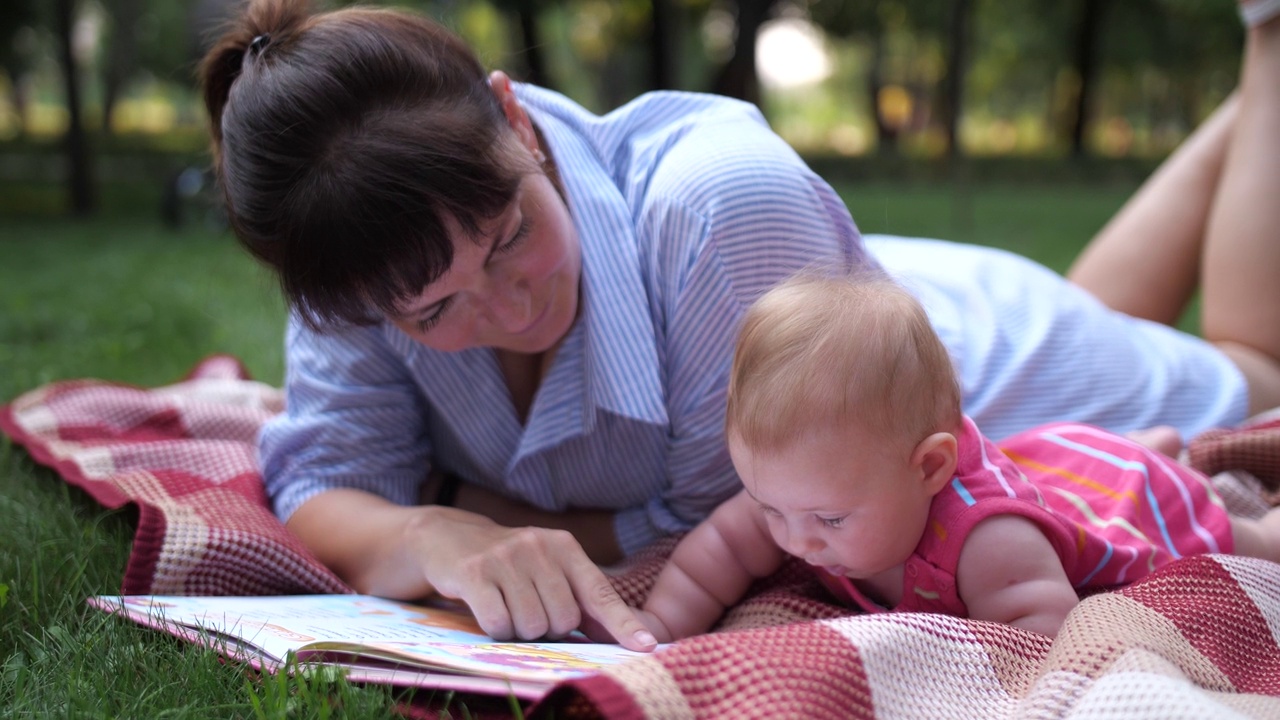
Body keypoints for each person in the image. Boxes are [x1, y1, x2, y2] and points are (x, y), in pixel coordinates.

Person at [198, 0, 1280, 648]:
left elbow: (722, 514)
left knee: (1244, 367)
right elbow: (328, 477)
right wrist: (431, 529)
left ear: (515, 117)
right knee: (1102, 299)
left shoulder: (724, 205)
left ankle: (1267, 38)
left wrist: (457, 495)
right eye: (433, 309)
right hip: (886, 290)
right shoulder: (357, 240)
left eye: (508, 231)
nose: (509, 304)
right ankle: (1256, 87)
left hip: (1010, 376)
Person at [632, 272, 1280, 641]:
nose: (796, 540)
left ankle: (1160, 460)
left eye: (829, 521)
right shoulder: (803, 494)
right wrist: (656, 628)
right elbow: (712, 559)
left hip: (1125, 496)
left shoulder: (988, 543)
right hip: (1044, 459)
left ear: (930, 470)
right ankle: (1151, 444)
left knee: (1237, 536)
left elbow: (1042, 627)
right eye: (769, 506)